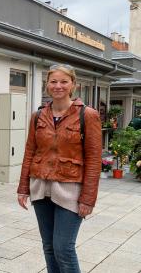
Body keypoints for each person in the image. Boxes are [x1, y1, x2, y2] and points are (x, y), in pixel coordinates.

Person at [17, 65, 101, 272]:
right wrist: (22, 188)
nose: (58, 86)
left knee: (63, 248)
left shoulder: (87, 115)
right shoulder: (38, 116)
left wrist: (88, 199)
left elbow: (94, 160)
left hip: (70, 189)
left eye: (64, 81)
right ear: (47, 85)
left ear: (74, 84)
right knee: (49, 247)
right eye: (53, 81)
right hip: (40, 187)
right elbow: (30, 152)